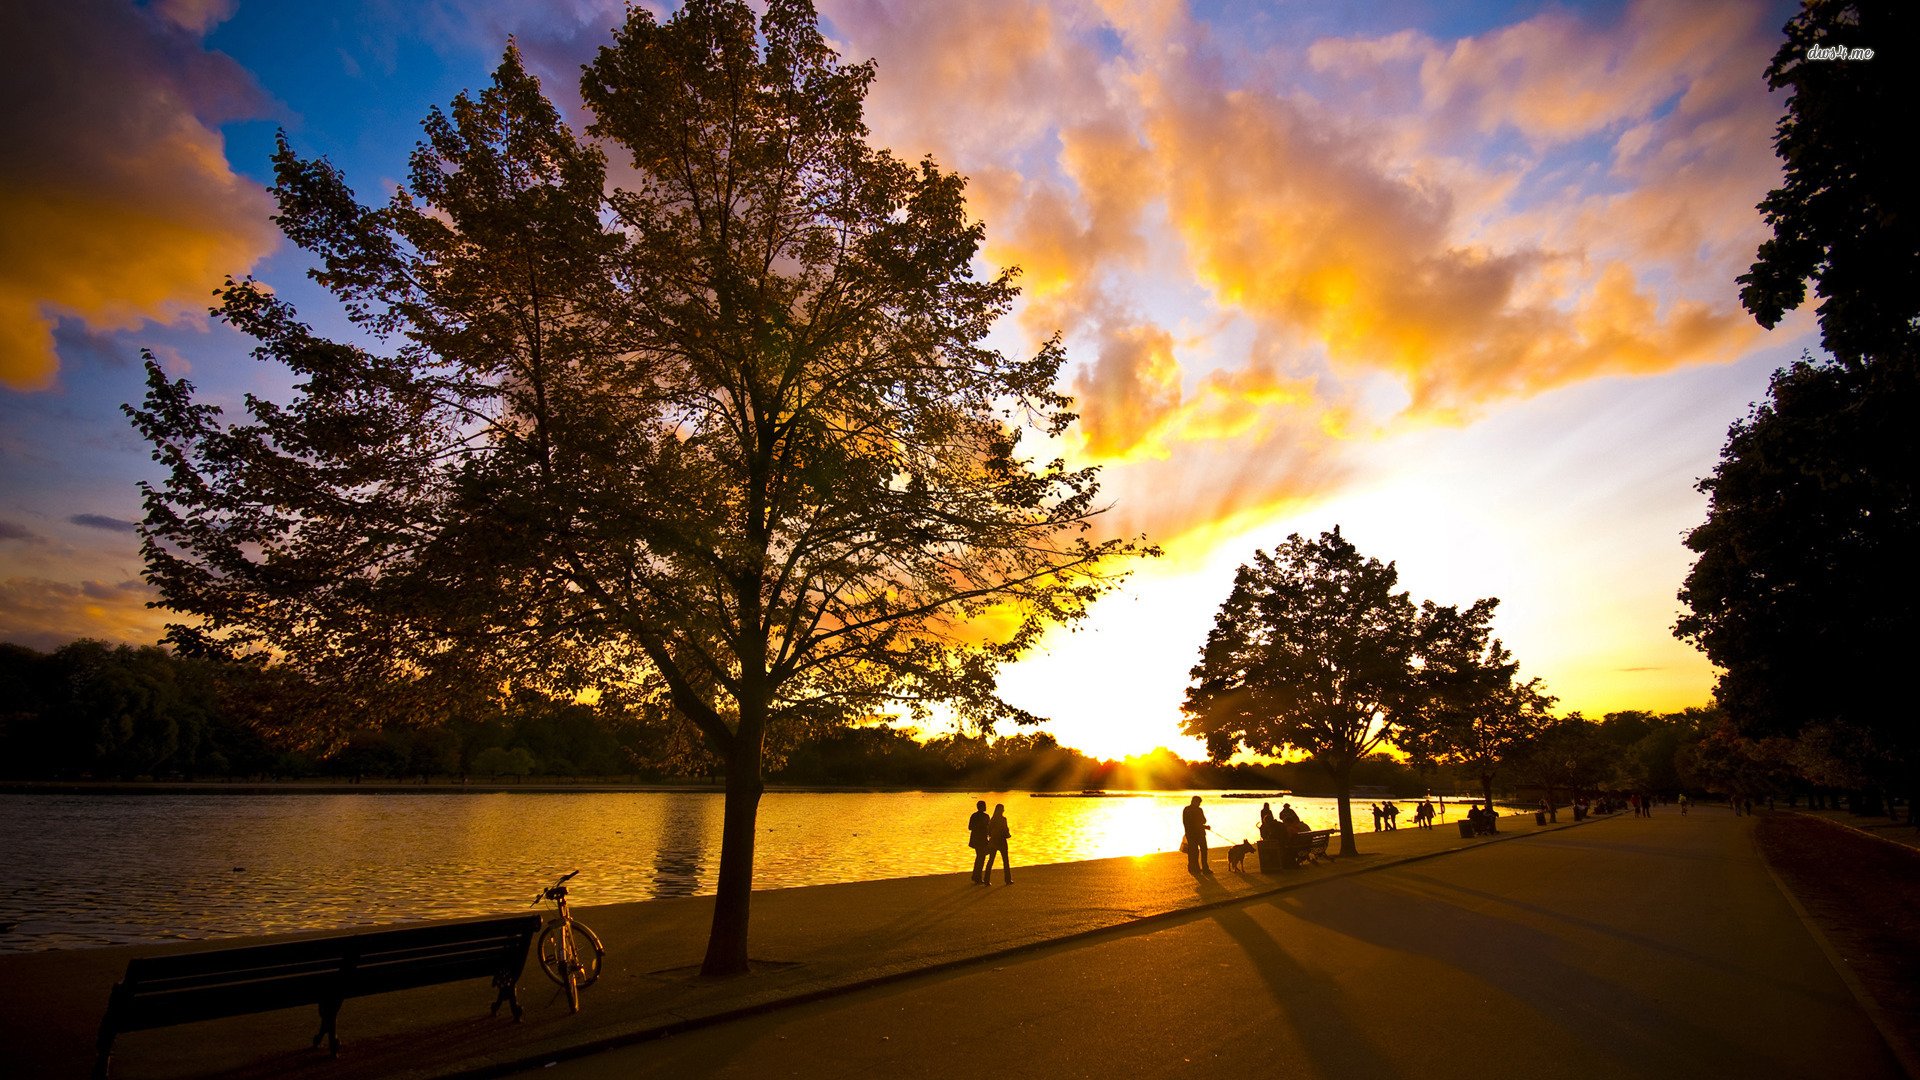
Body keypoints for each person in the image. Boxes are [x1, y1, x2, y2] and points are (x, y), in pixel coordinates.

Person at [983, 803, 1013, 884]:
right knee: (1005, 861)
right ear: (1001, 810)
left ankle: (986, 880)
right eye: (1002, 809)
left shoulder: (992, 819)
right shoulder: (1003, 819)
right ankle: (1008, 880)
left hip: (993, 841)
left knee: (991, 860)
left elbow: (989, 831)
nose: (1003, 810)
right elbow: (1005, 830)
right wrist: (1008, 835)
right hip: (1002, 841)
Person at [1182, 795, 1211, 873]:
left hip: (1192, 834)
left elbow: (1187, 823)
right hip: (1196, 834)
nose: (1199, 804)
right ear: (1194, 801)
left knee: (1194, 851)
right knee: (1201, 851)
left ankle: (1195, 868)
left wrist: (1203, 826)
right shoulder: (1197, 810)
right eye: (1198, 803)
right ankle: (1202, 868)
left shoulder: (1187, 809)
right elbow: (1203, 821)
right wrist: (1204, 826)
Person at [968, 800, 992, 884]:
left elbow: (970, 827)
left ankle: (976, 876)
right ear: (981, 807)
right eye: (984, 806)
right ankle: (977, 877)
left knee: (980, 857)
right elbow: (970, 827)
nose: (985, 807)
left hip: (978, 840)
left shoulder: (975, 815)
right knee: (981, 857)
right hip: (980, 840)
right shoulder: (983, 816)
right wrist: (982, 827)